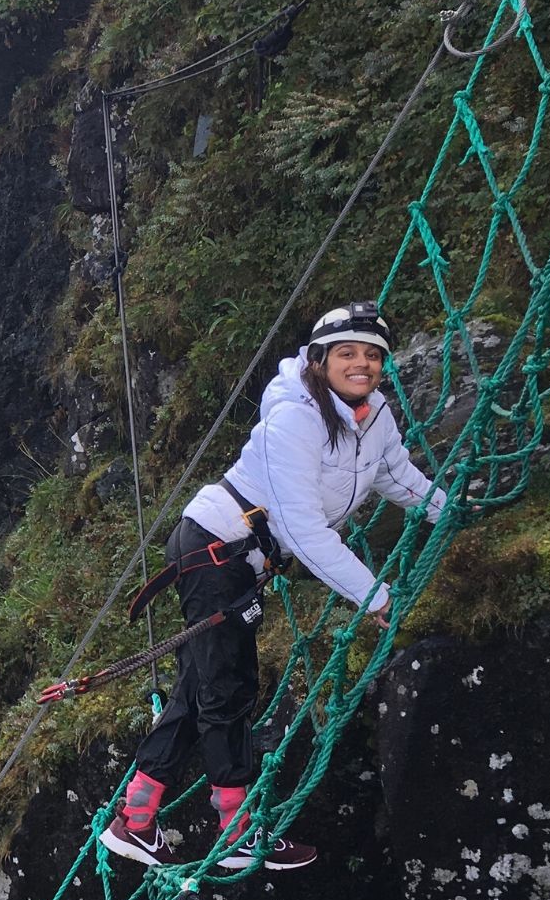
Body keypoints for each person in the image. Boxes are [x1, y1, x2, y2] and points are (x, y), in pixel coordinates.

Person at [100, 301, 446, 871]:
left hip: (236, 557)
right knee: (228, 689)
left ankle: (135, 818)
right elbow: (303, 530)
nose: (362, 364)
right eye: (347, 353)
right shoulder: (297, 417)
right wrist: (374, 595)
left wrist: (447, 509)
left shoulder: (374, 414)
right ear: (319, 359)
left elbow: (394, 474)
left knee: (201, 686)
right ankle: (235, 833)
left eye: (372, 355)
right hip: (216, 548)